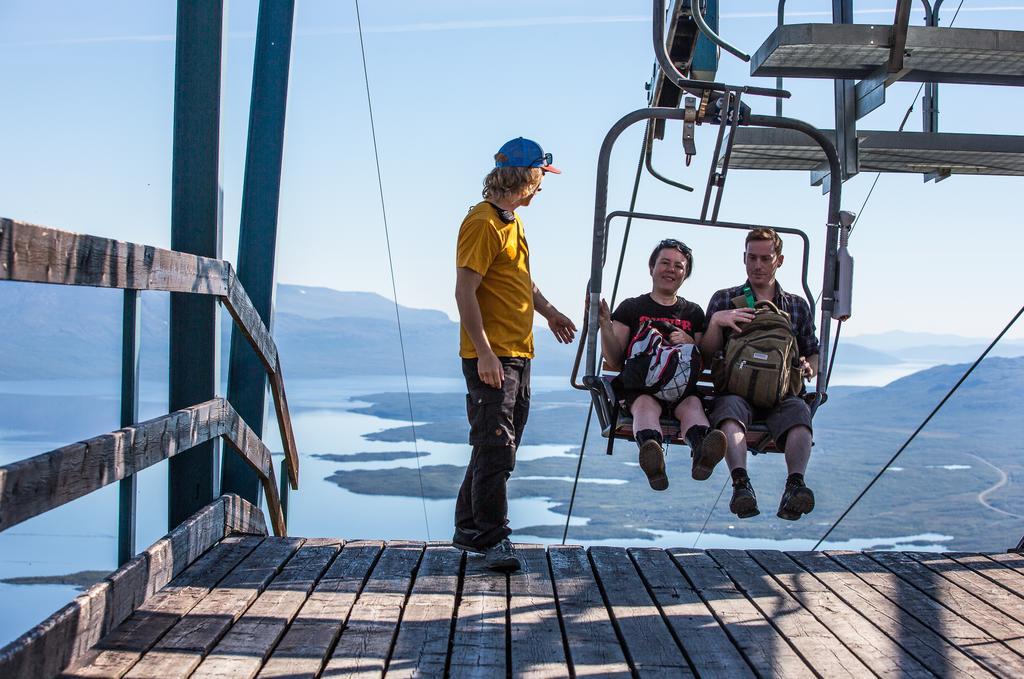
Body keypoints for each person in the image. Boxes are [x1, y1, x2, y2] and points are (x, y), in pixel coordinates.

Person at [453, 137, 577, 572]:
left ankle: (469, 527)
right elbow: (464, 291)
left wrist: (551, 313)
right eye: (541, 175)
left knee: (498, 444)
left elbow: (521, 283)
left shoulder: (512, 222)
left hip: (518, 355)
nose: (543, 184)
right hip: (494, 357)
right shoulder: (482, 223)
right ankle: (493, 539)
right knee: (496, 448)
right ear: (526, 176)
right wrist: (485, 354)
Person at [700, 227, 819, 520]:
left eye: (766, 258)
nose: (758, 265)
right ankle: (741, 485)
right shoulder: (725, 300)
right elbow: (703, 354)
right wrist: (717, 322)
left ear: (779, 260)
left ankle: (795, 485)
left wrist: (808, 368)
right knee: (729, 413)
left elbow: (812, 351)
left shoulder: (796, 307)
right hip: (736, 393)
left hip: (782, 394)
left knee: (799, 415)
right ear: (744, 258)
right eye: (752, 258)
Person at [598, 239, 727, 491]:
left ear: (685, 274)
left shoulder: (692, 313)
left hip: (681, 389)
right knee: (645, 405)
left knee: (692, 406)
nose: (671, 270)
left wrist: (690, 341)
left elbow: (704, 359)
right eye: (665, 263)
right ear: (652, 268)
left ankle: (703, 450)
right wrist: (605, 325)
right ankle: (651, 451)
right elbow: (613, 359)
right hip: (641, 389)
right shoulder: (632, 307)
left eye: (678, 266)